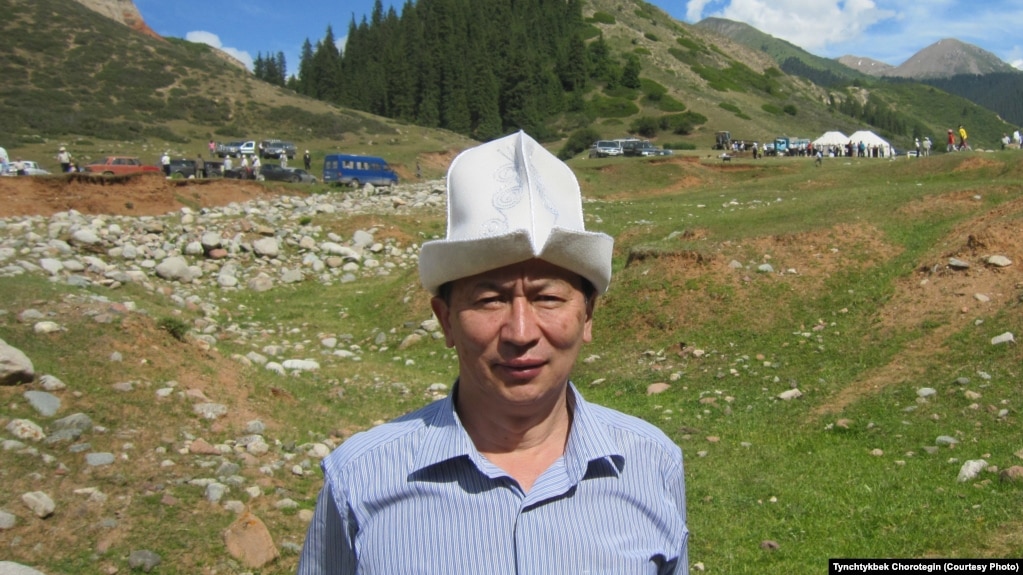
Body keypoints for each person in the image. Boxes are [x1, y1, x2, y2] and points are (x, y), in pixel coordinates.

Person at [297, 131, 690, 574]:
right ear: (446, 320)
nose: (520, 333)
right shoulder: (358, 481)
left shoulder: (652, 464)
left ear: (588, 316)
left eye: (547, 298)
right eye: (489, 300)